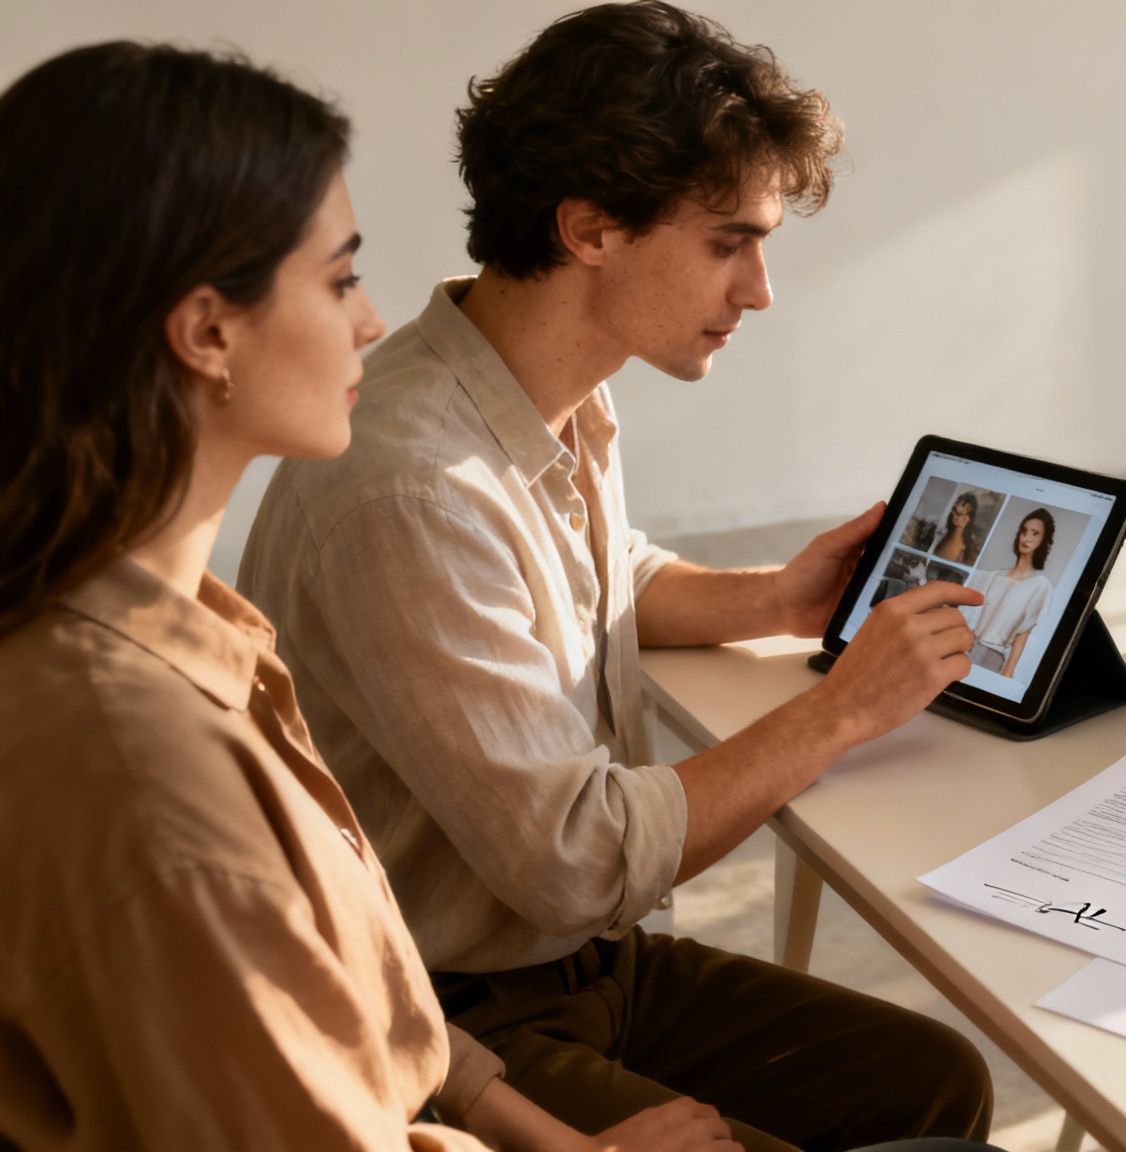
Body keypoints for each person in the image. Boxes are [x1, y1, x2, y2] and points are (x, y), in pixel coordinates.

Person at [236, 6, 994, 1150]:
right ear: (591, 229)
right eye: (728, 242)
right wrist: (843, 709)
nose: (759, 291)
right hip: (452, 1014)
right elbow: (575, 862)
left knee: (933, 1079)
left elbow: (594, 575)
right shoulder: (415, 487)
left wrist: (777, 598)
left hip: (580, 967)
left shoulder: (536, 382)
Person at [0, 41, 743, 1152]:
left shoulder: (177, 633)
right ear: (207, 332)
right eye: (340, 277)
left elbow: (370, 1020)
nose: (367, 322)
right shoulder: (149, 767)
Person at [966, 509, 1055, 678]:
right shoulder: (993, 576)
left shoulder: (1040, 586)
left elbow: (1024, 632)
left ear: (1044, 540)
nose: (1026, 537)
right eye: (1024, 531)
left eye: (1035, 534)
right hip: (965, 646)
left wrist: (1008, 671)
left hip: (992, 657)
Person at [932, 493, 983, 564]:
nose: (954, 516)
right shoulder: (942, 534)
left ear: (967, 519)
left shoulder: (966, 548)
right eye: (954, 511)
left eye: (959, 514)